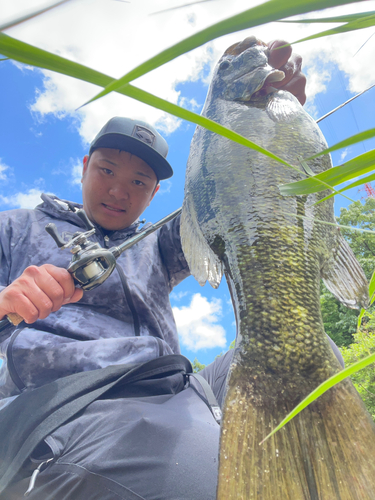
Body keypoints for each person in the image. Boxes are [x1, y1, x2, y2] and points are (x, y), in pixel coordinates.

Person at [0, 40, 342, 499]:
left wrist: (264, 129)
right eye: (106, 171)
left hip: (177, 384)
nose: (119, 191)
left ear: (155, 193)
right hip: (63, 399)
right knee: (194, 473)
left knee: (313, 362)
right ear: (83, 166)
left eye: (139, 181)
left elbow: (231, 199)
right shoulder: (17, 226)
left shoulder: (161, 242)